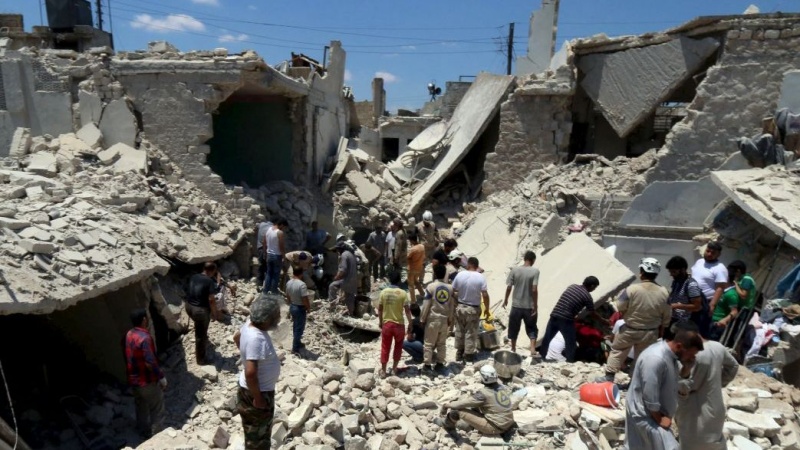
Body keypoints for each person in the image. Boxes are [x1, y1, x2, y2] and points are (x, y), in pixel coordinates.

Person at [625, 322, 703, 450]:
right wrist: (660, 419)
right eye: (691, 354)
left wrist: (687, 368)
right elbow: (649, 394)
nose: (692, 358)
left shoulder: (672, 356)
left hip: (656, 415)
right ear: (679, 346)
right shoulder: (655, 358)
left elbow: (676, 380)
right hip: (646, 415)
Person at [599, 258, 671, 383]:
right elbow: (667, 313)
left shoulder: (632, 289)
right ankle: (634, 382)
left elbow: (620, 306)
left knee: (618, 351)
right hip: (650, 332)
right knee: (643, 357)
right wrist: (663, 328)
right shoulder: (664, 292)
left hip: (630, 329)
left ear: (641, 272)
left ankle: (609, 377)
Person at [675, 325, 739, 450]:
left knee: (692, 443)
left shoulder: (690, 355)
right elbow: (733, 366)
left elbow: (685, 386)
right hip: (716, 405)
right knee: (714, 442)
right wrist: (719, 382)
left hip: (694, 409)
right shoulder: (718, 346)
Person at [234, 294, 282, 450]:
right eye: (277, 315)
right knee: (258, 436)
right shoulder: (256, 338)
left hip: (252, 390)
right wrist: (258, 398)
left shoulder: (249, 323)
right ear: (267, 319)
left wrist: (244, 353)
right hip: (257, 393)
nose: (279, 318)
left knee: (254, 431)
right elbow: (250, 373)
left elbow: (237, 337)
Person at [538, 277, 602, 363]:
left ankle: (542, 356)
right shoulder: (587, 296)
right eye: (595, 287)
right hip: (566, 319)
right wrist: (603, 320)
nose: (594, 289)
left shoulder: (572, 286)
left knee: (547, 338)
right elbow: (592, 312)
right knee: (571, 342)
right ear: (592, 286)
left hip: (554, 314)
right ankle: (570, 362)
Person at [124, 309, 166, 438]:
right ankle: (157, 437)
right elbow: (150, 362)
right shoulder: (145, 338)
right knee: (157, 407)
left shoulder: (129, 334)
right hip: (146, 381)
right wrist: (161, 377)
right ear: (144, 320)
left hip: (134, 380)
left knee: (140, 405)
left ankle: (142, 431)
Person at [437, 366, 515, 435]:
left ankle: (446, 425)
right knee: (476, 405)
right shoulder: (501, 387)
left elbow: (462, 404)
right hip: (508, 422)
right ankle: (470, 425)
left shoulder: (484, 394)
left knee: (456, 411)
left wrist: (446, 405)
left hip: (495, 427)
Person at [452, 257, 490, 362]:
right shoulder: (481, 277)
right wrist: (486, 309)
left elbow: (453, 290)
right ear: (477, 266)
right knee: (470, 332)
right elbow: (485, 295)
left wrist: (456, 303)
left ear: (468, 264)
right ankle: (468, 355)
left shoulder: (460, 275)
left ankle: (459, 352)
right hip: (473, 309)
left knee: (460, 330)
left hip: (460, 307)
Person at [503, 251, 540, 355]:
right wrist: (535, 305)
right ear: (533, 260)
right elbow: (534, 289)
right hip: (529, 306)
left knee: (514, 327)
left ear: (524, 259)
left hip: (516, 306)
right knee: (532, 327)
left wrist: (506, 299)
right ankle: (532, 349)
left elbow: (509, 287)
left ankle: (513, 348)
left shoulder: (515, 270)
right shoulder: (535, 271)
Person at [420, 264, 455, 374]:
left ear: (434, 274)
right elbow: (452, 305)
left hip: (433, 319)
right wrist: (450, 319)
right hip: (444, 319)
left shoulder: (430, 287)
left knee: (429, 343)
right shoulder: (450, 288)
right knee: (441, 343)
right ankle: (440, 364)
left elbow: (426, 304)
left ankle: (427, 365)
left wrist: (422, 319)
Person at [709, 260, 754, 341]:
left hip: (743, 309)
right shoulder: (739, 280)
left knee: (733, 330)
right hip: (734, 306)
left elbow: (743, 295)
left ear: (738, 271)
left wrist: (735, 284)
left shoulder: (746, 279)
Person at [378, 270, 413, 378]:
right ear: (399, 281)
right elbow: (407, 310)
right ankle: (394, 369)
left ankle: (383, 371)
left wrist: (380, 322)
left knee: (385, 347)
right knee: (398, 347)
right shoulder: (403, 293)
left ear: (389, 280)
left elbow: (380, 309)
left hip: (387, 324)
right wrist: (410, 323)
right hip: (399, 325)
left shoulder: (383, 292)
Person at [186, 262, 221, 365]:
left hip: (188, 307)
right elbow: (211, 300)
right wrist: (215, 313)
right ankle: (201, 360)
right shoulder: (209, 281)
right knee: (200, 336)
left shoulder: (194, 276)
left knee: (200, 327)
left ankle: (202, 333)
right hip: (200, 311)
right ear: (212, 271)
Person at [666, 256, 705, 330]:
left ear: (683, 270)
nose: (671, 274)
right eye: (670, 272)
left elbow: (697, 307)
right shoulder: (676, 282)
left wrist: (676, 306)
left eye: (674, 272)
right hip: (673, 319)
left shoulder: (691, 285)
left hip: (683, 323)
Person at [691, 242, 728, 318]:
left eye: (713, 253)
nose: (709, 254)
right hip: (692, 300)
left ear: (718, 254)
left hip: (705, 302)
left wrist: (712, 305)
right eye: (708, 251)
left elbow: (720, 288)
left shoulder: (720, 268)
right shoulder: (699, 262)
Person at [285, 267, 311, 355]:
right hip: (300, 308)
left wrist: (290, 303)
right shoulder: (302, 285)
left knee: (295, 326)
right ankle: (295, 348)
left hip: (292, 306)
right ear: (301, 274)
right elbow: (304, 298)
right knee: (299, 328)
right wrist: (308, 308)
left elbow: (287, 295)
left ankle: (297, 342)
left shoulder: (289, 282)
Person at [329, 241, 358, 316]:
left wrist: (336, 278)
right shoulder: (351, 254)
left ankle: (332, 307)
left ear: (340, 249)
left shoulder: (344, 255)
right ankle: (351, 313)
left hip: (346, 280)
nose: (337, 251)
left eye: (338, 249)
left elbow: (343, 270)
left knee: (332, 286)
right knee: (350, 297)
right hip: (353, 280)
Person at [264, 218, 288, 294]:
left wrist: (265, 253)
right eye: (284, 227)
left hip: (269, 254)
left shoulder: (268, 230)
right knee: (276, 274)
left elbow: (264, 242)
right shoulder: (279, 233)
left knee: (268, 273)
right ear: (281, 225)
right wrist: (284, 257)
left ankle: (265, 291)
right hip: (277, 256)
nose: (283, 229)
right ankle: (274, 291)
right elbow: (281, 247)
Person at [407, 233, 426, 305]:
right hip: (419, 268)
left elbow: (407, 257)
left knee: (411, 285)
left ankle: (413, 301)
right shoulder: (422, 246)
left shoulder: (413, 249)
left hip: (412, 269)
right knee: (416, 281)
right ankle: (422, 294)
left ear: (412, 240)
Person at [256, 217, 273, 288]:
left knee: (261, 266)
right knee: (268, 267)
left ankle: (259, 283)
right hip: (267, 249)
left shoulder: (262, 224)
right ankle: (267, 285)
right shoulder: (272, 228)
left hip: (260, 248)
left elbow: (256, 225)